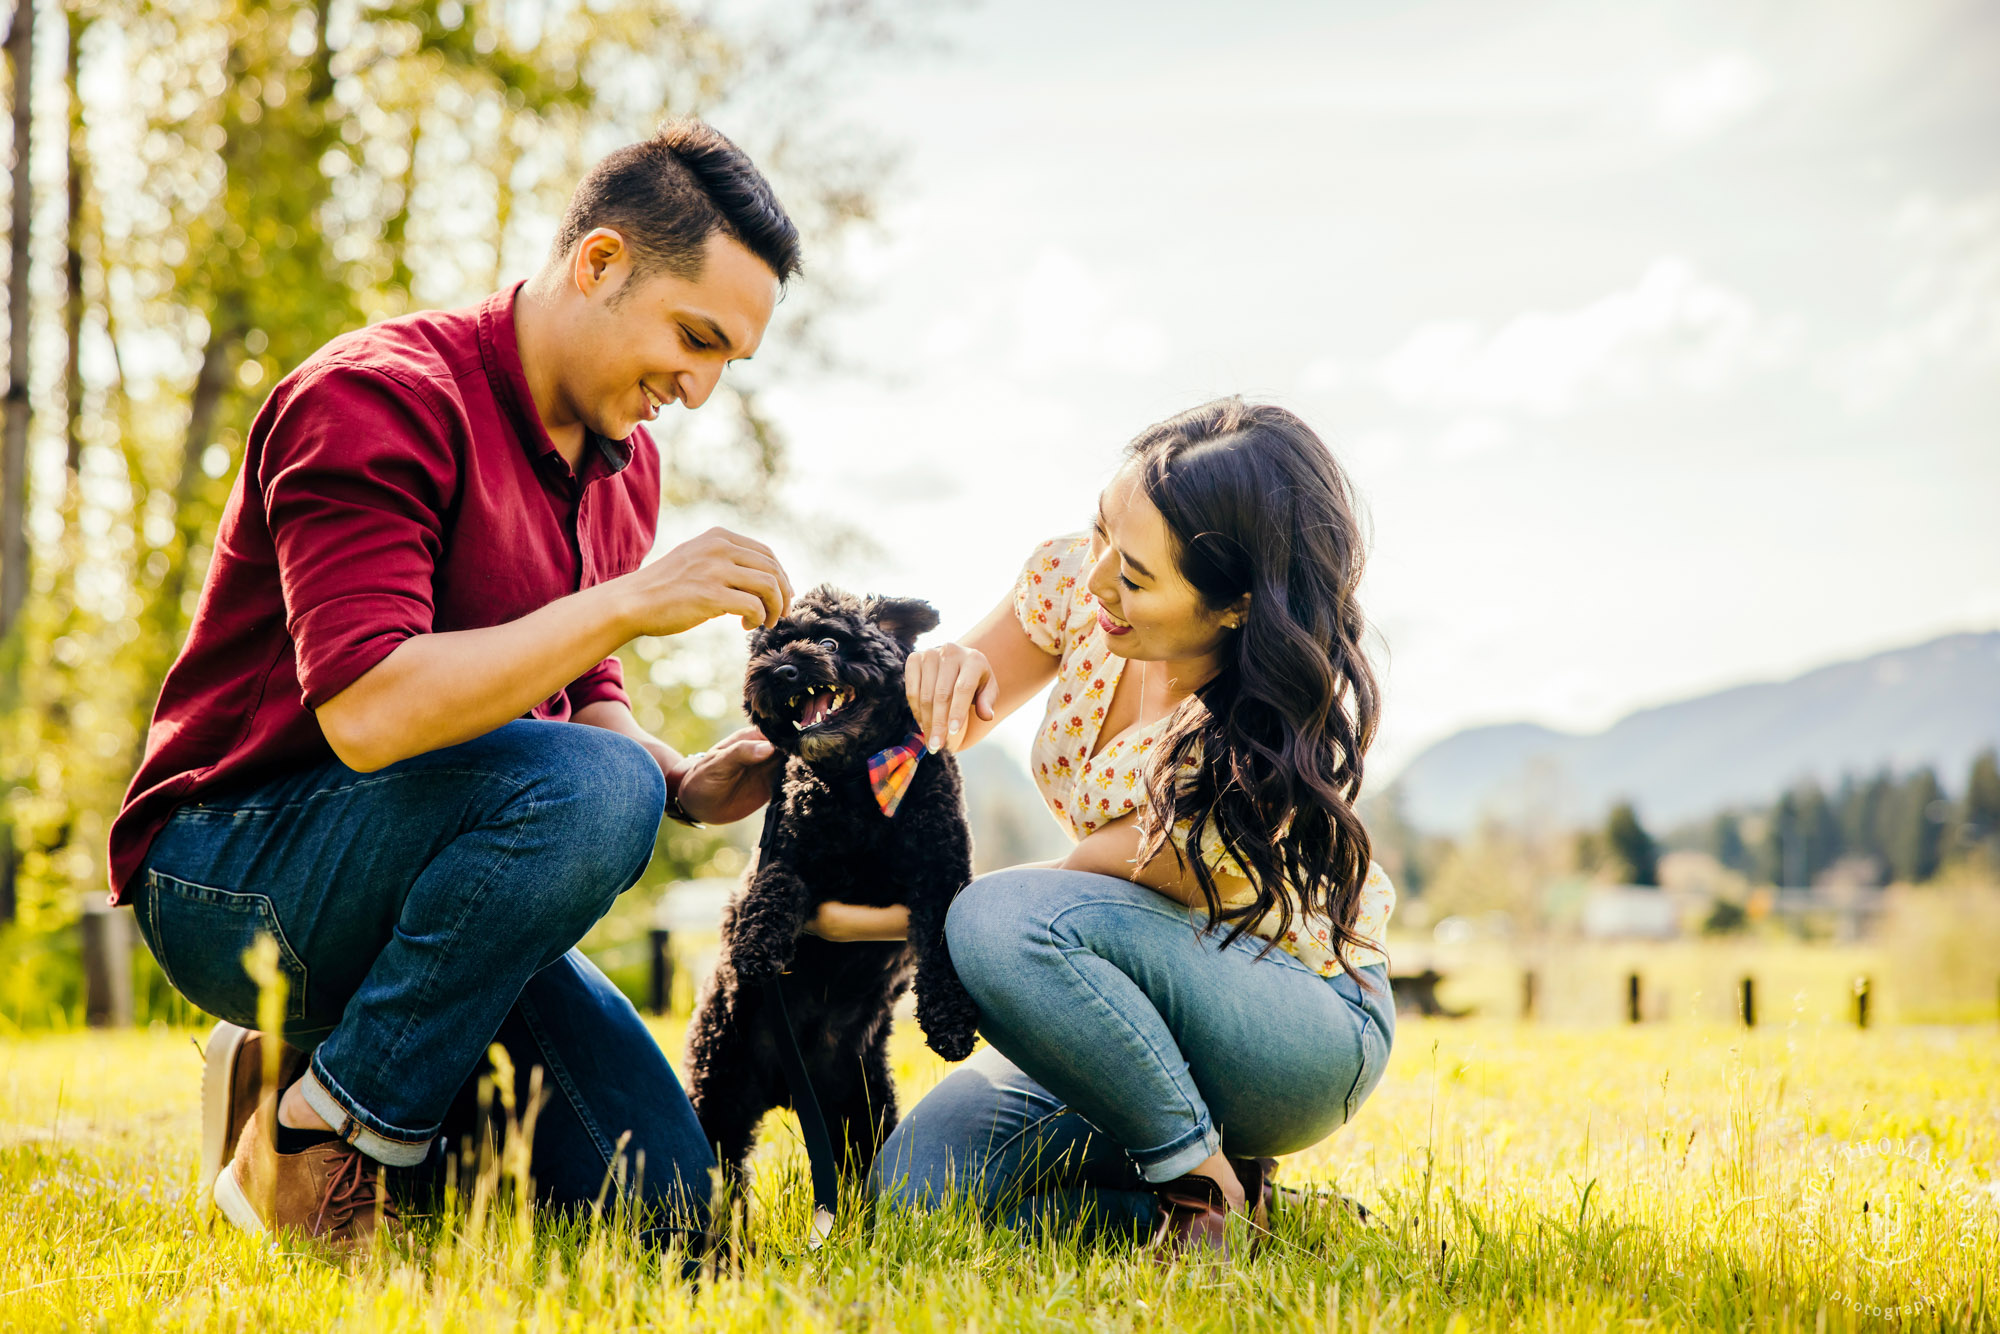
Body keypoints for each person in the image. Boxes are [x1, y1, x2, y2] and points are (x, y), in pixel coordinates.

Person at [108, 120, 801, 1250]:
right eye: (695, 337)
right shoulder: (374, 400)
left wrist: (679, 779)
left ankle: (310, 1068)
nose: (701, 386)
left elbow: (586, 687)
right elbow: (372, 712)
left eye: (729, 359)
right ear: (599, 263)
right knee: (597, 786)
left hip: (432, 878)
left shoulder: (625, 458)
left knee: (664, 1209)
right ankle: (322, 1132)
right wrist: (630, 610)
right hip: (236, 872)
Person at [832, 398, 1398, 1257]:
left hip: (1293, 1026)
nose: (1097, 579)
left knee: (994, 918)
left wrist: (853, 921)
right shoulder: (1081, 587)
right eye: (1102, 530)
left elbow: (1047, 919)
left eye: (1135, 576)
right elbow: (939, 724)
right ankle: (1269, 1220)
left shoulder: (1239, 754)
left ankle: (1195, 1187)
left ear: (1235, 604)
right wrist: (926, 680)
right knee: (914, 1208)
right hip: (1118, 1013)